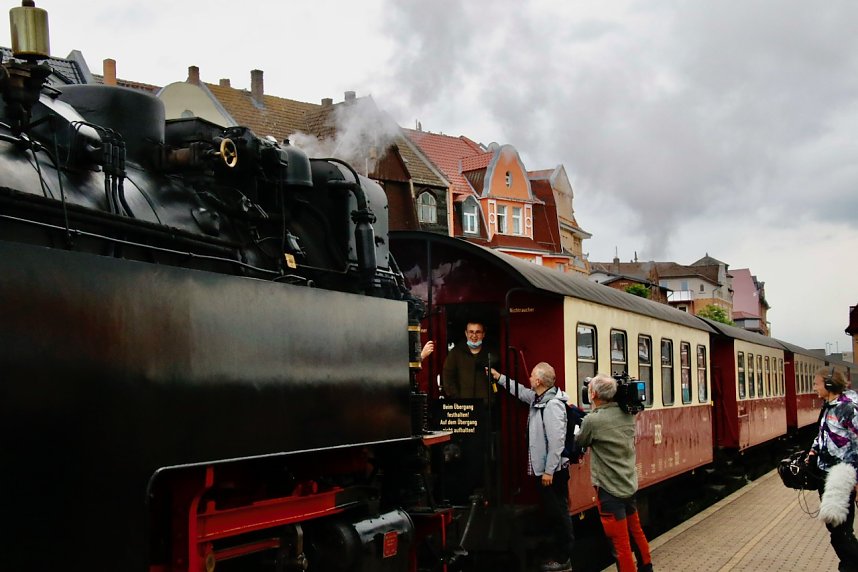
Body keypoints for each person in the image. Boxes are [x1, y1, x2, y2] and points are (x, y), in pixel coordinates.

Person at [490, 363, 575, 572]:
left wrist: (549, 470)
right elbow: (521, 392)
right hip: (547, 471)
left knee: (559, 513)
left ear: (538, 381)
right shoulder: (539, 399)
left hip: (553, 472)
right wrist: (500, 377)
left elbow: (557, 442)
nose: (529, 378)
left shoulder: (552, 405)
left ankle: (563, 558)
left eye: (532, 376)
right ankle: (558, 555)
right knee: (553, 512)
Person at [575, 374, 653, 572]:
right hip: (628, 485)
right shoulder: (626, 413)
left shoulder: (593, 421)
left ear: (593, 394)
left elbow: (580, 442)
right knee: (636, 531)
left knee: (620, 544)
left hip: (609, 490)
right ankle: (647, 567)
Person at [808, 368, 858, 572]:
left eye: (816, 383)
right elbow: (823, 435)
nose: (814, 387)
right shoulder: (827, 407)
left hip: (842, 476)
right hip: (825, 474)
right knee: (835, 529)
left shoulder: (848, 409)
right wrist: (812, 451)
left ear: (829, 385)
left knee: (841, 532)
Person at [442, 321, 497, 400]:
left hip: (486, 407)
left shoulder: (492, 354)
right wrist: (457, 399)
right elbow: (448, 378)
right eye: (471, 332)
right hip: (463, 407)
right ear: (466, 333)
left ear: (483, 334)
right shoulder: (455, 353)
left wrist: (491, 400)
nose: (474, 335)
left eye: (478, 332)